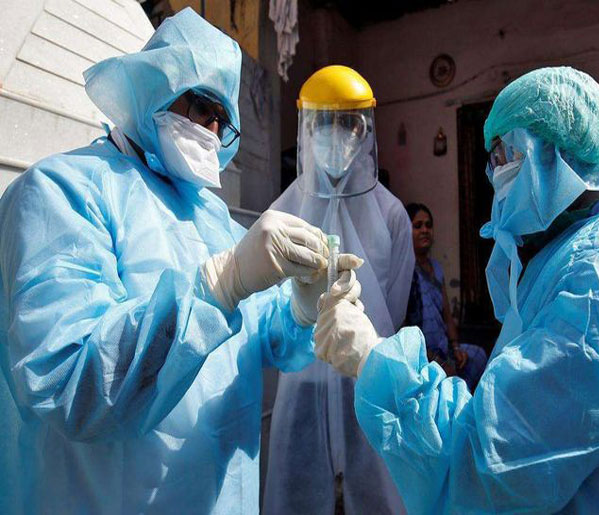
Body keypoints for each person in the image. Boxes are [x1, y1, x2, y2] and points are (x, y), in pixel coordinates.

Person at [314, 67, 599, 513]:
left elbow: (491, 465)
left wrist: (374, 359)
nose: (496, 176)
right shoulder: (571, 257)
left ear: (560, 154)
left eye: (505, 155)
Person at [0, 9, 360, 514]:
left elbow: (264, 337)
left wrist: (303, 308)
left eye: (222, 120)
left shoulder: (214, 219)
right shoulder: (64, 193)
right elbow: (70, 384)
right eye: (201, 105)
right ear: (154, 88)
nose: (211, 127)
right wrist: (218, 286)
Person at [264, 65, 413, 514]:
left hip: (367, 373)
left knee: (377, 493)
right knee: (299, 493)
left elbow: (395, 307)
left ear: (365, 129)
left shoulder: (390, 213)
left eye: (347, 123)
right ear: (306, 129)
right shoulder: (283, 210)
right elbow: (270, 311)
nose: (336, 134)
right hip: (301, 381)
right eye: (323, 122)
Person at [405, 202, 487, 391]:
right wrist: (437, 361)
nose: (425, 230)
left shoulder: (436, 267)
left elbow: (448, 316)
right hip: (421, 354)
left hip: (443, 347)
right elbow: (405, 326)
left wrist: (456, 348)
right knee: (445, 380)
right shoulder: (407, 272)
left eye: (428, 225)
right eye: (418, 226)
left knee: (478, 356)